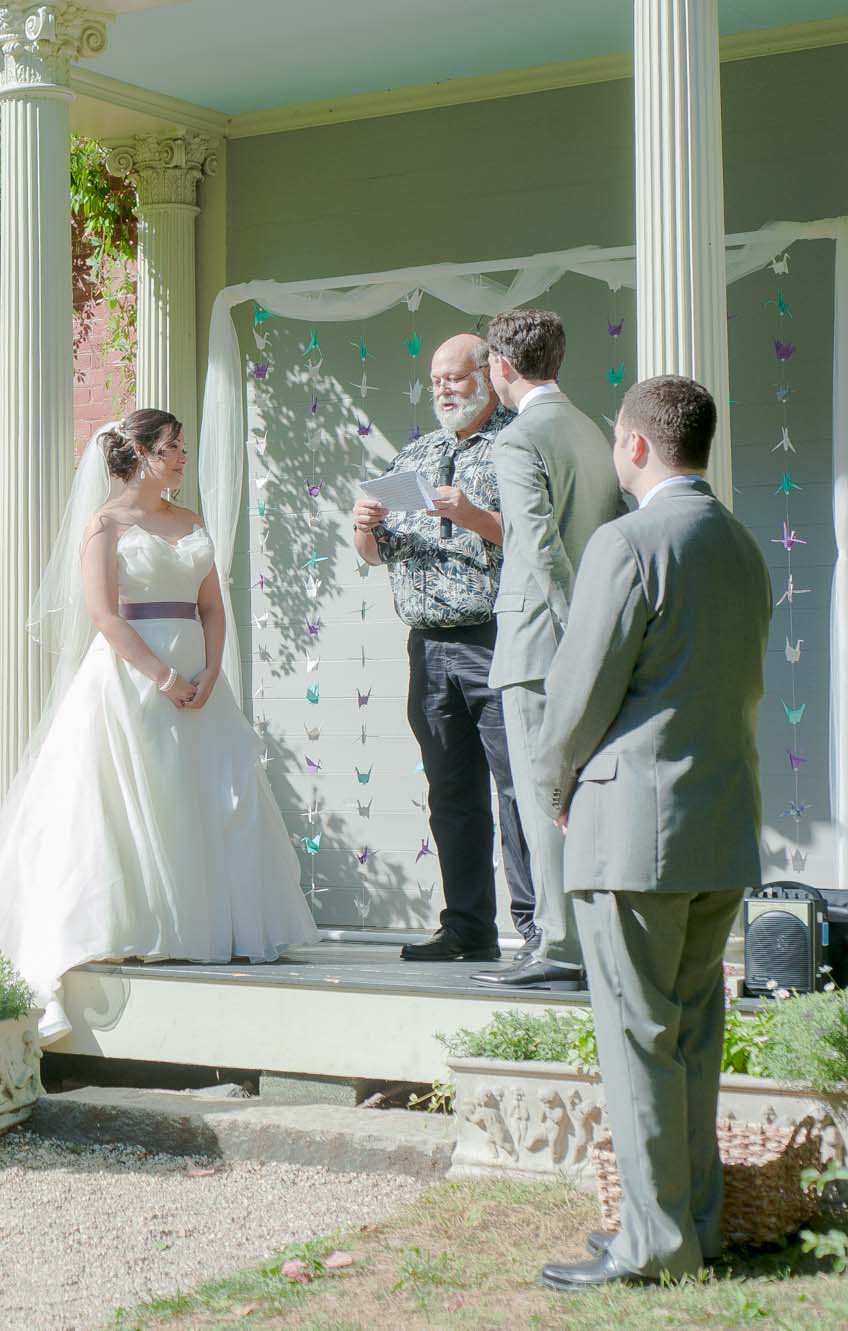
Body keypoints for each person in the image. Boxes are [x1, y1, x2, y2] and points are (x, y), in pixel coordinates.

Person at [0, 410, 317, 1041]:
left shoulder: (192, 522)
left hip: (202, 683)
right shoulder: (105, 526)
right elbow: (104, 615)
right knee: (124, 804)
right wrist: (164, 677)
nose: (182, 457)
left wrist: (208, 672)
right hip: (131, 681)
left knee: (207, 799)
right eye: (172, 447)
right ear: (142, 454)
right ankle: (121, 929)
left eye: (182, 447)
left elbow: (211, 606)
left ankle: (203, 928)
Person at [532, 376, 770, 1290]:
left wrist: (557, 784)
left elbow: (582, 686)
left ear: (634, 445)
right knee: (694, 1036)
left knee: (637, 1040)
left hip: (633, 828)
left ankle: (651, 1243)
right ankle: (690, 1224)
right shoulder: (744, 545)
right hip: (721, 825)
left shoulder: (627, 543)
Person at [351, 334, 534, 964]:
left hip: (497, 638)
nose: (444, 391)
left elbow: (542, 541)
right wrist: (364, 530)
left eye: (454, 378)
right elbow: (383, 554)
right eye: (435, 382)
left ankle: (539, 928)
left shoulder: (518, 443)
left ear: (486, 375)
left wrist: (477, 515)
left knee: (518, 789)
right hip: (428, 647)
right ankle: (467, 930)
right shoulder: (419, 453)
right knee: (451, 792)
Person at [476, 308, 624, 990]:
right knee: (582, 797)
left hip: (541, 643)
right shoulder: (593, 429)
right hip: (589, 637)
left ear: (503, 367)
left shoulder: (519, 439)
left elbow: (536, 546)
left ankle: (559, 943)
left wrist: (573, 637)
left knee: (544, 795)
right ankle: (588, 937)